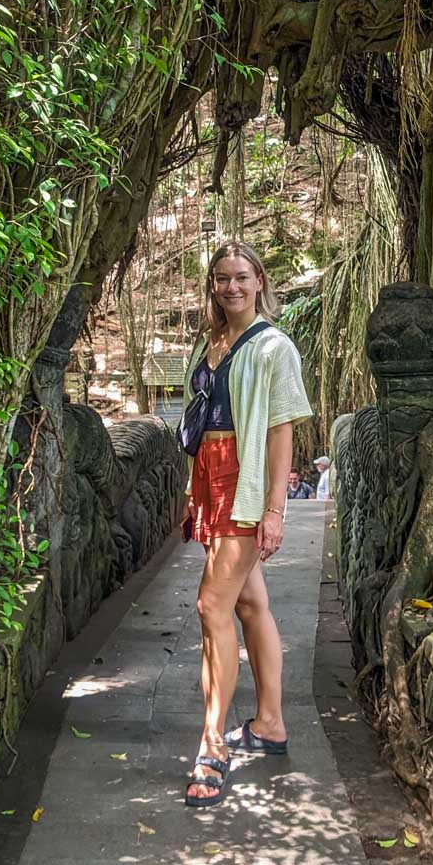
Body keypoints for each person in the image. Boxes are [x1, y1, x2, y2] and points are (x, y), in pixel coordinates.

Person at [179, 241, 312, 806]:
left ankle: (213, 748)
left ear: (260, 280)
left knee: (213, 606)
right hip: (210, 474)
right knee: (249, 605)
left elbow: (282, 429)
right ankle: (269, 724)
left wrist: (275, 509)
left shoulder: (273, 347)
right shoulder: (209, 343)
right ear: (212, 285)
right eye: (221, 278)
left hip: (244, 478)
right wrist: (194, 489)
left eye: (241, 277)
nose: (231, 287)